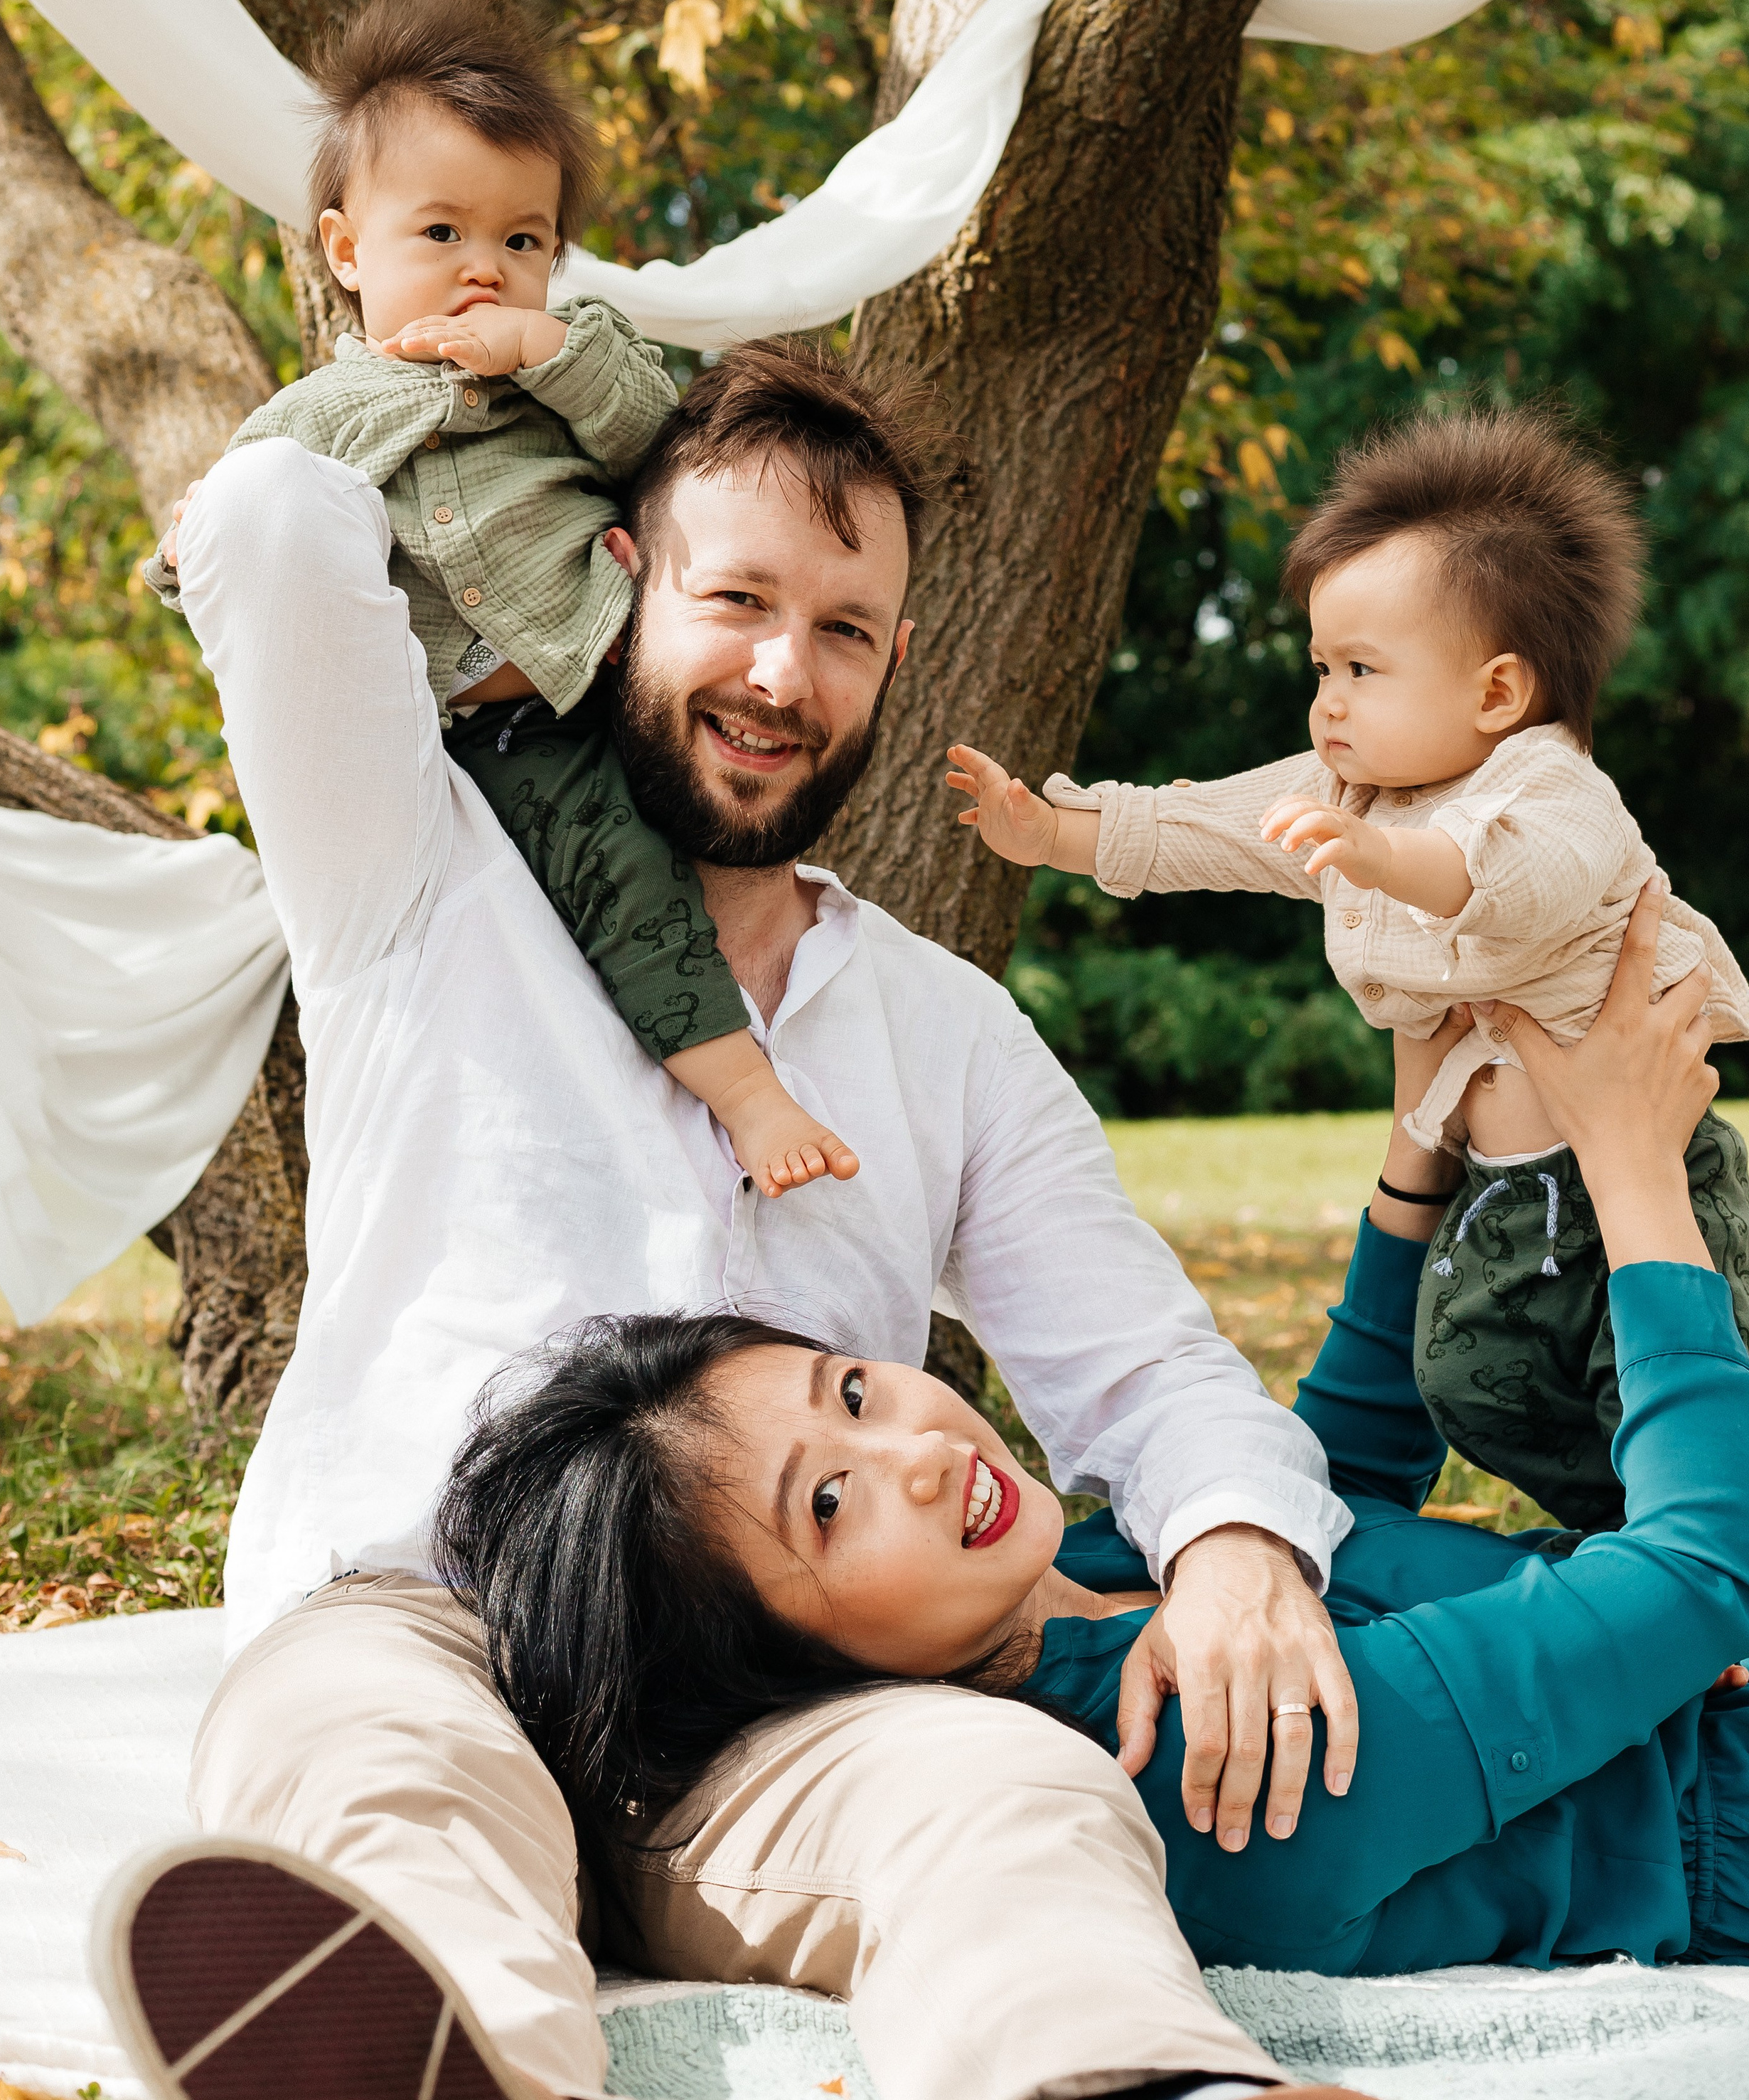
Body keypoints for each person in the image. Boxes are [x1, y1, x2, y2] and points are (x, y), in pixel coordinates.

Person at [104, 343, 1369, 2100]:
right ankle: (430, 2062)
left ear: (897, 661)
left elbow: (1142, 1363)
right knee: (375, 1774)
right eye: (735, 598)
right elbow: (265, 521)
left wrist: (1232, 1540)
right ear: (616, 579)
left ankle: (1144, 2085)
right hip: (423, 1613)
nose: (782, 675)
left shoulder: (938, 1036)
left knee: (1010, 1797)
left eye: (844, 629)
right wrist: (525, 355)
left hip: (773, 1698)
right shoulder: (416, 864)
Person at [436, 887, 1749, 1981]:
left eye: (851, 1388)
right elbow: (1710, 1568)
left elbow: (1344, 1503)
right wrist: (1630, 1165)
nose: (913, 1449)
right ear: (787, 1671)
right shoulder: (1211, 1769)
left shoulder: (1086, 1566)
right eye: (828, 1508)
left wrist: (1416, 1142)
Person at [947, 404, 1749, 1530]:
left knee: (1652, 1366)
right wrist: (1062, 833)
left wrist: (1388, 858)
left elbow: (1512, 877)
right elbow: (1222, 827)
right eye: (1320, 665)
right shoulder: (1356, 790)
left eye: (1362, 669)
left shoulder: (1550, 786)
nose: (1326, 702)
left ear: (1496, 692)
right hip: (1495, 1188)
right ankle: (1632, 1536)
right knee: (1476, 1377)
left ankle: (1710, 1545)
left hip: (1647, 1176)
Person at [148, 0, 854, 1198]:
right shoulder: (320, 414)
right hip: (495, 731)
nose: (487, 269)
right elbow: (237, 537)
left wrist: (553, 350)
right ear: (346, 251)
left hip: (624, 668)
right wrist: (182, 543)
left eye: (521, 241)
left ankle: (787, 1027)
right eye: (443, 235)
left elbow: (666, 444)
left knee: (730, 838)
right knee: (622, 881)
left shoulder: (574, 365)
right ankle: (744, 1091)